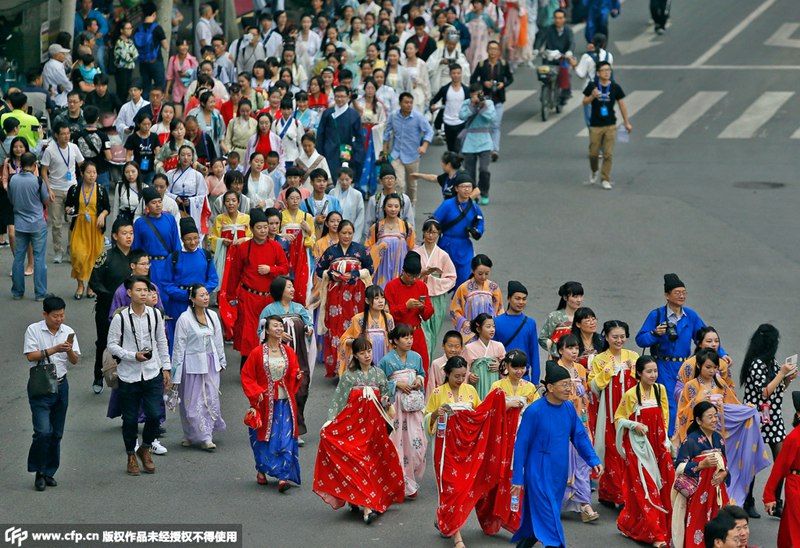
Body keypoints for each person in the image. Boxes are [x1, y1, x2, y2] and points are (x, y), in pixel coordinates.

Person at [511, 361, 604, 548]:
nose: (569, 389)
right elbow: (521, 446)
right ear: (550, 387)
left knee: (542, 517)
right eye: (564, 385)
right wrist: (518, 479)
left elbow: (579, 435)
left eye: (570, 384)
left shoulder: (568, 408)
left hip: (559, 472)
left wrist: (593, 459)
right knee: (550, 519)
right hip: (538, 471)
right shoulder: (534, 411)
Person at [317, 336, 403, 524]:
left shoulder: (379, 374)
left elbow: (385, 398)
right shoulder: (349, 376)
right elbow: (339, 401)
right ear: (355, 355)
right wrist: (330, 421)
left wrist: (387, 402)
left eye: (369, 351)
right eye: (362, 352)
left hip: (374, 427)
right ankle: (367, 508)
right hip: (353, 427)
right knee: (359, 461)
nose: (367, 355)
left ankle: (360, 499)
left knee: (372, 463)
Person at [674, 349, 770, 507]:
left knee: (721, 465)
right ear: (699, 366)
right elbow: (683, 412)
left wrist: (744, 409)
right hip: (699, 432)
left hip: (718, 432)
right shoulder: (691, 386)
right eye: (708, 367)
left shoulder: (721, 384)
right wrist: (697, 400)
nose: (712, 371)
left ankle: (720, 501)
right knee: (703, 467)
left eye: (715, 367)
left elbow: (733, 404)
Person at [636, 273, 727, 437]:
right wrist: (654, 333)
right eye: (677, 292)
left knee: (688, 401)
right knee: (669, 402)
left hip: (685, 366)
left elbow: (705, 337)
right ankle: (670, 439)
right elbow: (640, 340)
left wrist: (722, 354)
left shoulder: (690, 316)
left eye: (684, 292)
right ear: (667, 295)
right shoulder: (656, 315)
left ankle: (687, 437)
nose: (682, 296)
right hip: (663, 365)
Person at [107, 276, 172, 476]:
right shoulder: (120, 318)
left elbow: (161, 341)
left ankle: (145, 448)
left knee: (154, 414)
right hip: (129, 375)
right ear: (129, 293)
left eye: (146, 290)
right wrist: (132, 356)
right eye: (139, 290)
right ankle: (131, 456)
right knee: (130, 419)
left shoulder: (155, 314)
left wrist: (166, 368)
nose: (144, 294)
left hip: (152, 371)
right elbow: (112, 345)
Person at [614, 355, 674, 548]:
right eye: (649, 371)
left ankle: (633, 523)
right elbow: (618, 418)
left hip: (658, 445)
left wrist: (666, 439)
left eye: (655, 371)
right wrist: (633, 425)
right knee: (646, 489)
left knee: (666, 484)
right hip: (639, 448)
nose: (653, 375)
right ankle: (656, 535)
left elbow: (665, 415)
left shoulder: (660, 389)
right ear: (639, 373)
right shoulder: (631, 394)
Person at [477, 350, 540, 535]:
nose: (519, 371)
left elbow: (537, 412)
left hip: (522, 437)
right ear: (506, 366)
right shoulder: (497, 386)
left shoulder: (530, 387)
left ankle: (517, 521)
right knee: (497, 477)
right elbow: (488, 409)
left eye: (522, 367)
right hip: (501, 438)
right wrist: (507, 405)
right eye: (515, 367)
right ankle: (492, 517)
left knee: (518, 477)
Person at [24, 295, 80, 491]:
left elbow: (74, 360)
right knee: (42, 432)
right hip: (40, 386)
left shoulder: (68, 331)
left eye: (62, 315)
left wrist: (69, 350)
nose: (59, 319)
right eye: (55, 316)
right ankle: (38, 471)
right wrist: (55, 349)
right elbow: (30, 356)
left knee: (56, 433)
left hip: (61, 386)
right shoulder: (33, 330)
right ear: (45, 314)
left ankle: (49, 472)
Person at [741, 324, 797, 518]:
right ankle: (748, 501)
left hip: (773, 417)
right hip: (756, 417)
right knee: (752, 462)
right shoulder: (756, 363)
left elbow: (775, 390)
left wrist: (786, 380)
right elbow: (764, 392)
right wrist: (781, 374)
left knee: (781, 459)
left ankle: (775, 502)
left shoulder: (771, 362)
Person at [241, 315, 302, 491]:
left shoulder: (288, 351)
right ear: (266, 330)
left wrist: (296, 376)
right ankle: (262, 469)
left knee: (286, 438)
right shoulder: (257, 353)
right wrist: (256, 393)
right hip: (266, 403)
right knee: (265, 438)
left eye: (281, 326)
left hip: (285, 401)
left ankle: (283, 476)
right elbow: (247, 376)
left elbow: (294, 370)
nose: (279, 329)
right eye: (275, 326)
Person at [225, 208, 290, 367]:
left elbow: (285, 268)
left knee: (269, 331)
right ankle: (247, 368)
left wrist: (271, 270)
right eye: (259, 227)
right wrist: (231, 296)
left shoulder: (275, 246)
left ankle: (268, 366)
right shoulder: (244, 248)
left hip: (268, 298)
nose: (263, 231)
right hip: (248, 297)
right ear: (251, 229)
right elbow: (234, 273)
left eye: (265, 227)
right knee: (249, 334)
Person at [588, 319, 639, 507]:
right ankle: (614, 493)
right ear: (606, 337)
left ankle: (623, 493)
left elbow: (644, 380)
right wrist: (607, 372)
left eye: (622, 336)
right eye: (615, 337)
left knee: (628, 449)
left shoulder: (633, 356)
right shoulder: (599, 360)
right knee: (611, 450)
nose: (619, 340)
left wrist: (632, 370)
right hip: (609, 411)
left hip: (630, 410)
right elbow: (593, 386)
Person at [314, 219, 373, 377]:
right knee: (336, 329)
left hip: (356, 296)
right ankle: (339, 368)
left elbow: (370, 268)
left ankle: (356, 366)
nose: (347, 236)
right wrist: (331, 275)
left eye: (350, 233)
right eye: (343, 233)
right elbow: (319, 270)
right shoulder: (331, 251)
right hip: (336, 296)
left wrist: (356, 274)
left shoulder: (360, 250)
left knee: (356, 327)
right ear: (338, 233)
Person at [171, 284, 226, 451]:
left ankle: (206, 436)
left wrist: (221, 361)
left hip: (210, 363)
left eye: (207, 294)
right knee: (191, 403)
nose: (206, 297)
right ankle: (190, 434)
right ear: (192, 299)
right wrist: (175, 374)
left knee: (210, 399)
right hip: (192, 365)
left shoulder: (213, 316)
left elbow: (218, 341)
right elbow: (179, 347)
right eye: (201, 295)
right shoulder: (184, 319)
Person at [258, 277, 314, 442]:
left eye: (292, 286)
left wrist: (308, 329)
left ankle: (296, 428)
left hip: (299, 355)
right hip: (278, 358)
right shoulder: (269, 310)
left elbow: (308, 324)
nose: (292, 289)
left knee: (301, 390)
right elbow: (260, 332)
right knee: (281, 393)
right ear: (280, 289)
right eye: (289, 286)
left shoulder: (299, 308)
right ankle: (280, 429)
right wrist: (278, 334)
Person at [377, 324, 427, 498]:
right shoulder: (386, 360)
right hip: (397, 407)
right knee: (398, 445)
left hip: (414, 406)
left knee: (417, 444)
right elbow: (380, 383)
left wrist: (419, 380)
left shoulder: (416, 357)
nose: (409, 341)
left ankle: (410, 479)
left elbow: (422, 373)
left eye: (411, 337)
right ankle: (403, 484)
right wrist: (396, 384)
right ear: (395, 341)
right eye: (405, 337)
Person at [672, 401, 731, 548]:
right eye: (710, 417)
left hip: (717, 492)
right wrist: (700, 465)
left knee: (721, 525)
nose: (715, 420)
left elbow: (725, 463)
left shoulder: (719, 438)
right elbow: (679, 466)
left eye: (716, 416)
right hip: (699, 493)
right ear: (699, 420)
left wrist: (724, 474)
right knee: (698, 524)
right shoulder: (690, 441)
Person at [88, 219, 133, 393]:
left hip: (132, 309)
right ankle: (99, 375)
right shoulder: (106, 257)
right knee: (103, 342)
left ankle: (126, 378)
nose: (128, 237)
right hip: (107, 307)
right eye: (124, 233)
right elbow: (94, 281)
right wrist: (111, 296)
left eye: (131, 233)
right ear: (115, 236)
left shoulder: (137, 257)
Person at [162, 217, 218, 341]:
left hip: (199, 303)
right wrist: (185, 294)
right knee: (178, 336)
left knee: (200, 336)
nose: (193, 242)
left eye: (195, 238)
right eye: (188, 239)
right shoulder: (174, 257)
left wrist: (200, 294)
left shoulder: (205, 256)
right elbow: (166, 283)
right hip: (178, 303)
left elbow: (213, 279)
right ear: (182, 239)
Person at [582, 61, 632, 190]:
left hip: (610, 124)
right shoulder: (592, 86)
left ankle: (605, 179)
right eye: (604, 70)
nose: (607, 73)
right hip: (595, 125)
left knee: (608, 154)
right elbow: (585, 102)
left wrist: (627, 122)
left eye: (608, 70)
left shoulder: (615, 87)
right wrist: (592, 96)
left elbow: (622, 105)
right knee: (593, 154)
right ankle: (594, 170)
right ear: (598, 73)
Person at [414, 218, 457, 365]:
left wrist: (433, 280)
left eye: (433, 232)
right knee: (423, 334)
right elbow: (407, 274)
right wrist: (422, 275)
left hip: (437, 298)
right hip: (419, 296)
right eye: (427, 232)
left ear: (439, 234)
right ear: (423, 233)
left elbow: (451, 277)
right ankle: (423, 365)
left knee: (433, 334)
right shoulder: (415, 253)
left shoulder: (443, 255)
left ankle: (428, 364)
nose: (430, 235)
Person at [384, 251, 435, 374]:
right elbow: (388, 315)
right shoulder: (391, 286)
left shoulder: (421, 286)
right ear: (403, 271)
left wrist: (422, 308)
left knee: (422, 366)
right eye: (411, 276)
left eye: (416, 276)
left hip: (416, 332)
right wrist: (406, 306)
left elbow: (428, 314)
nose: (414, 279)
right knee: (398, 368)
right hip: (399, 334)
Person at [40, 123, 84, 264]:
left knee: (73, 222)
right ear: (56, 135)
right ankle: (58, 251)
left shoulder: (74, 147)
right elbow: (43, 171)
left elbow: (82, 164)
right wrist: (49, 189)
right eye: (63, 134)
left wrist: (83, 184)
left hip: (72, 189)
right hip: (56, 189)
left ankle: (71, 250)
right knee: (56, 223)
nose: (66, 136)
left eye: (68, 133)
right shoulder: (50, 150)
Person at [65, 161, 109, 300]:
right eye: (89, 172)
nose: (92, 175)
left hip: (95, 228)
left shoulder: (101, 189)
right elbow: (67, 206)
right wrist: (69, 210)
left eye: (94, 173)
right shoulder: (74, 189)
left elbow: (107, 208)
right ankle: (80, 285)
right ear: (82, 173)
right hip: (79, 225)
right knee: (78, 256)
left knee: (94, 258)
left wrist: (102, 215)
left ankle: (90, 286)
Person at [132, 186, 181, 312]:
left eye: (159, 201)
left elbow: (176, 244)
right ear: (147, 205)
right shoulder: (140, 223)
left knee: (168, 297)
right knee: (151, 297)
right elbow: (136, 248)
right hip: (149, 266)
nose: (158, 205)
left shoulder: (170, 219)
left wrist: (177, 264)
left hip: (167, 263)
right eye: (154, 203)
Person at [8, 152, 49, 300]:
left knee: (18, 257)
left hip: (20, 223)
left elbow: (11, 199)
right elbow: (45, 200)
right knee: (39, 258)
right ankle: (40, 293)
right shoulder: (38, 181)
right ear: (34, 165)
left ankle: (17, 291)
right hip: (37, 223)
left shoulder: (13, 180)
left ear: (20, 164)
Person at [382, 92, 433, 206]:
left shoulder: (418, 117)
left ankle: (410, 206)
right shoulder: (393, 116)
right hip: (396, 155)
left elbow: (429, 131)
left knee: (412, 186)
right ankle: (398, 206)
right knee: (399, 184)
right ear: (400, 103)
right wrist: (384, 152)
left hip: (413, 155)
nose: (409, 105)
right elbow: (387, 134)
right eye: (406, 102)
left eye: (411, 102)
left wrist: (424, 146)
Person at [763, 391, 800, 547]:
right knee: (795, 529)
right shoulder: (794, 438)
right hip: (796, 487)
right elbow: (779, 468)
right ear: (799, 414)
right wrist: (769, 496)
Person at [432, 175, 483, 288]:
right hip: (447, 244)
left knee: (464, 278)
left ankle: (459, 298)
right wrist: (431, 236)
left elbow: (480, 223)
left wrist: (476, 232)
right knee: (444, 278)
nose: (467, 189)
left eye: (469, 187)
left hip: (465, 245)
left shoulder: (474, 207)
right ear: (456, 188)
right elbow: (434, 221)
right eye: (463, 186)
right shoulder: (447, 205)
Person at [338, 284, 394, 377]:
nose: (381, 301)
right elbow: (344, 340)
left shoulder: (388, 318)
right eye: (376, 298)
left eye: (382, 297)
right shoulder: (358, 319)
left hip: (384, 356)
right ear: (367, 301)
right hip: (365, 358)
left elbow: (393, 340)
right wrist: (358, 342)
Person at [469, 41, 512, 163]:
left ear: (499, 52)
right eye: (490, 49)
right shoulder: (482, 65)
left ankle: (494, 150)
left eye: (495, 49)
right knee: (484, 125)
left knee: (496, 125)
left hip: (498, 99)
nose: (493, 51)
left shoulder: (503, 64)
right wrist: (483, 84)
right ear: (487, 51)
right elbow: (473, 79)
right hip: (485, 101)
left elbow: (510, 78)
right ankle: (484, 148)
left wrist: (503, 84)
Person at [365, 193, 416, 288]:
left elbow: (412, 248)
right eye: (389, 206)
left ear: (400, 208)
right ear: (384, 208)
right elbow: (367, 249)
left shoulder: (407, 227)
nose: (393, 209)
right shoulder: (376, 227)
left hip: (401, 268)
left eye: (396, 206)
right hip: (381, 269)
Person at [316, 85, 365, 182]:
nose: (339, 99)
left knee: (345, 181)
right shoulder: (328, 114)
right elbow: (321, 135)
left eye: (342, 96)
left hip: (347, 154)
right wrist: (320, 153)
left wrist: (357, 155)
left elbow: (359, 137)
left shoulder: (354, 115)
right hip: (329, 153)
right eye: (337, 96)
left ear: (348, 96)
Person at [495, 280, 540, 382]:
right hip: (502, 378)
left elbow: (534, 353)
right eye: (517, 298)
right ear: (509, 298)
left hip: (524, 378)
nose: (521, 302)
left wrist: (535, 381)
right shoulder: (496, 322)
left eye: (524, 299)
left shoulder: (530, 323)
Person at [675, 326, 735, 404]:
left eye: (716, 341)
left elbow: (730, 389)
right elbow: (679, 390)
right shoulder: (689, 365)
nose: (714, 344)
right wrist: (697, 398)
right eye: (709, 341)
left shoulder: (723, 364)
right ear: (699, 343)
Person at [449, 254, 503, 339]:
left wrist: (495, 326)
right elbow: (454, 310)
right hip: (470, 331)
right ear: (473, 270)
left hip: (490, 331)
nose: (483, 277)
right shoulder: (463, 288)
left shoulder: (494, 287)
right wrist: (466, 324)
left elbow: (499, 310)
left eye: (487, 273)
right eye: (480, 274)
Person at [167, 145, 209, 239]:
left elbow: (203, 195)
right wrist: (174, 197)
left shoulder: (197, 175)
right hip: (175, 204)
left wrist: (191, 201)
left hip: (191, 207)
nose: (185, 158)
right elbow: (165, 192)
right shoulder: (170, 174)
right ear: (178, 157)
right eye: (183, 155)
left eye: (189, 155)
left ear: (192, 157)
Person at [363, 164, 415, 241]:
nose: (389, 181)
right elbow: (368, 223)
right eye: (386, 178)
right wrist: (368, 242)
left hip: (400, 239)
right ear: (381, 180)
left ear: (396, 180)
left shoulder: (404, 199)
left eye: (392, 178)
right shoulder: (374, 200)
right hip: (379, 240)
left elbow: (410, 222)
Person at [462, 313, 505, 399]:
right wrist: (469, 375)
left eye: (493, 327)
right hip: (477, 386)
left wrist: (500, 366)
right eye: (488, 327)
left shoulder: (499, 346)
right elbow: (463, 368)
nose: (492, 330)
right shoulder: (469, 348)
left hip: (494, 385)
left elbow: (508, 366)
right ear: (478, 329)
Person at [540, 280, 585, 358]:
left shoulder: (584, 315)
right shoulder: (555, 316)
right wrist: (558, 351)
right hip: (559, 359)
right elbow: (543, 338)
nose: (579, 300)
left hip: (580, 359)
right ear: (565, 297)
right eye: (575, 297)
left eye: (581, 296)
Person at [134, 2, 168, 95]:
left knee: (145, 88)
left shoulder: (138, 29)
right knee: (159, 87)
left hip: (143, 62)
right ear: (154, 14)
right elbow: (165, 45)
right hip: (156, 62)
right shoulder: (157, 28)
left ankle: (145, 103)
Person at [329, 166, 365, 239]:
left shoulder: (357, 195)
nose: (344, 182)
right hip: (334, 229)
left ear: (351, 179)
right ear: (338, 179)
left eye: (347, 179)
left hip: (350, 229)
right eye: (342, 179)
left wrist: (355, 234)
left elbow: (360, 215)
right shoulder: (332, 193)